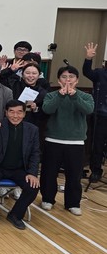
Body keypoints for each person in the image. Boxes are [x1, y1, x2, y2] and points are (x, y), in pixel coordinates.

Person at [40, 65, 94, 215]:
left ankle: (73, 203)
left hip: (75, 142)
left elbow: (88, 110)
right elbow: (47, 109)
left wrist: (74, 96)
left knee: (74, 175)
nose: (67, 80)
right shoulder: (51, 95)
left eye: (71, 77)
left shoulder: (85, 96)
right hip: (53, 139)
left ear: (77, 80)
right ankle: (47, 199)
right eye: (64, 77)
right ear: (59, 80)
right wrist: (60, 95)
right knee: (49, 173)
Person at [0, 101, 41, 229]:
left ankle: (15, 215)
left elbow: (35, 153)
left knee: (33, 187)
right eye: (12, 112)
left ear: (24, 114)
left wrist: (32, 173)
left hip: (19, 169)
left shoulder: (32, 130)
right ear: (6, 112)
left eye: (19, 112)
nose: (15, 115)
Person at [83, 42, 107, 182]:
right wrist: (88, 58)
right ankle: (96, 170)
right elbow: (87, 72)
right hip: (101, 115)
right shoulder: (100, 73)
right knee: (97, 144)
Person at [0, 60, 46, 127]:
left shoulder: (42, 92)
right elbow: (0, 78)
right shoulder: (14, 84)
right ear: (22, 75)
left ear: (39, 75)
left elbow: (43, 115)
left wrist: (35, 108)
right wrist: (10, 70)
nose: (31, 76)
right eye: (27, 73)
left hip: (29, 125)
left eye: (34, 73)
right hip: (9, 121)